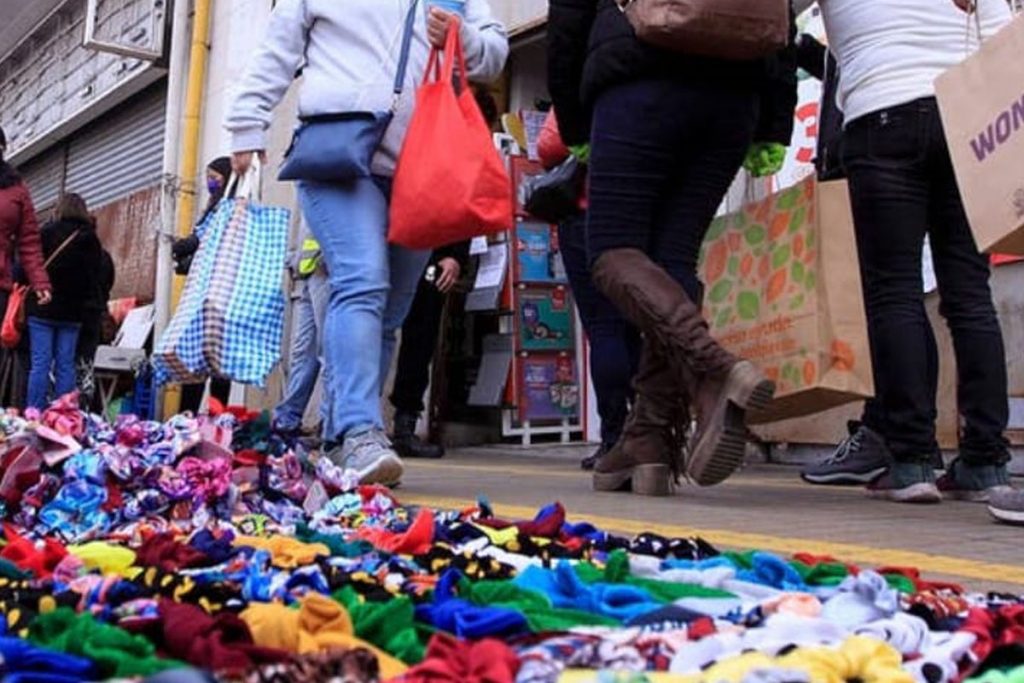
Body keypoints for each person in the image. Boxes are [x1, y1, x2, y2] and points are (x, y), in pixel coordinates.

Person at [227, 0, 507, 486]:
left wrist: (464, 36)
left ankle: (340, 437)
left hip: (420, 170)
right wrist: (246, 125)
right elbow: (276, 51)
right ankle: (360, 431)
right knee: (361, 282)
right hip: (336, 154)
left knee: (391, 312)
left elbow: (494, 56)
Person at [547, 1, 796, 495]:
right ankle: (649, 440)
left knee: (611, 248)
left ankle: (713, 368)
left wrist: (574, 122)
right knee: (672, 260)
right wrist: (773, 120)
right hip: (736, 91)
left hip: (640, 79)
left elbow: (569, 14)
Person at [794, 0, 1016, 503]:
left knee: (894, 293)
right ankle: (986, 462)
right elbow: (1005, 38)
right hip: (966, 125)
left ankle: (911, 461)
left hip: (882, 117)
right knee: (970, 296)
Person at [793, 33, 944, 486]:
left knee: (889, 296)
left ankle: (895, 440)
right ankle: (955, 452)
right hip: (948, 122)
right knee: (928, 295)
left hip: (877, 126)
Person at [537, 108, 641, 471]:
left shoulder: (586, 74)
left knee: (604, 327)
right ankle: (649, 431)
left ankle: (614, 436)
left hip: (587, 214)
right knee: (634, 326)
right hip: (638, 216)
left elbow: (549, 145)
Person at [388, 242, 470, 459]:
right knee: (370, 330)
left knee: (421, 337)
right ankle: (352, 422)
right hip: (385, 245)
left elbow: (461, 209)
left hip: (432, 255)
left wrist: (455, 256)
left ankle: (405, 426)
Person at [25, 193, 104, 410]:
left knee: (40, 364)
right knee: (65, 365)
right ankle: (64, 414)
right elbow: (95, 277)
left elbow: (27, 267)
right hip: (73, 314)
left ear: (59, 209)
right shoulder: (91, 240)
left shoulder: (46, 234)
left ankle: (34, 413)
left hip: (42, 309)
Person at [174, 157, 234, 413]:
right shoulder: (214, 208)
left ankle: (209, 418)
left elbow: (210, 240)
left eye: (215, 178)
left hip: (217, 293)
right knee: (201, 359)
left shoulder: (228, 209)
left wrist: (190, 245)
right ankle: (194, 418)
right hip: (205, 290)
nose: (210, 183)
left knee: (210, 360)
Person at [273, 227, 329, 438]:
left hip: (324, 268)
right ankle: (288, 418)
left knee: (327, 353)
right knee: (304, 351)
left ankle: (328, 426)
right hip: (308, 271)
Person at [75, 221, 115, 411]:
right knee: (88, 364)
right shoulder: (103, 256)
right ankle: (85, 407)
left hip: (73, 317)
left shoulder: (75, 254)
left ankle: (67, 406)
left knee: (67, 364)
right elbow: (108, 285)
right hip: (94, 317)